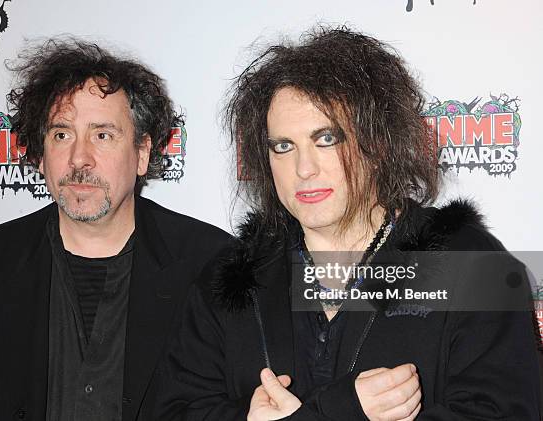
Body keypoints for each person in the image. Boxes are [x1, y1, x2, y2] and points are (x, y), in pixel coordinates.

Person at [156, 26, 541, 420]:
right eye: (283, 146)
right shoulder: (233, 278)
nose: (303, 169)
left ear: (378, 144)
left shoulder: (467, 264)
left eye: (326, 139)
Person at [0, 38, 230, 420]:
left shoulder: (212, 265)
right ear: (39, 156)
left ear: (142, 154)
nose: (79, 158)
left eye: (102, 135)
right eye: (61, 134)